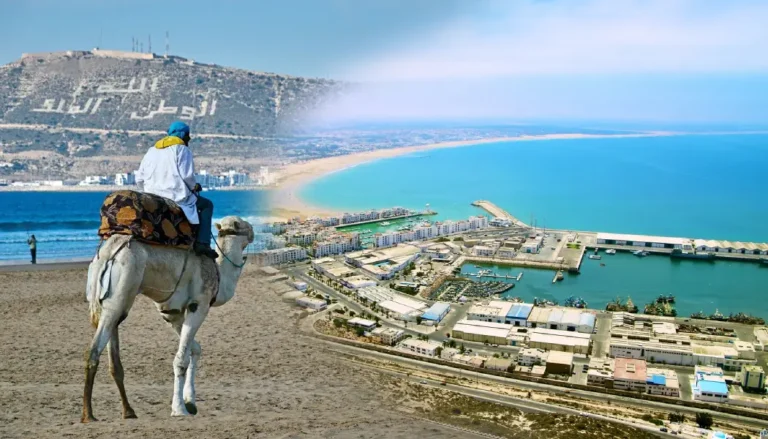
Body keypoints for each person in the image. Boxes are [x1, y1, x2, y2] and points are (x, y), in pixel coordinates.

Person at [135, 121, 217, 259]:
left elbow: (139, 179)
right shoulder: (181, 149)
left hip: (152, 196)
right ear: (183, 135)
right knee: (207, 205)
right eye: (188, 135)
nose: (189, 139)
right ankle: (203, 243)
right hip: (174, 196)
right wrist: (194, 186)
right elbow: (187, 175)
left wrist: (147, 193)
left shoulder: (151, 151)